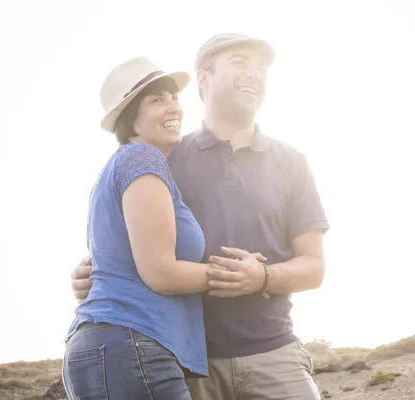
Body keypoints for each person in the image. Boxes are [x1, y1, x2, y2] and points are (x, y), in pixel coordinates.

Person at [71, 33, 329, 400]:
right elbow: (127, 238)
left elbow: (314, 268)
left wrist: (263, 276)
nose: (254, 74)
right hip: (187, 360)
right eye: (240, 62)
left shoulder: (292, 162)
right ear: (204, 78)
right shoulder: (162, 157)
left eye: (262, 68)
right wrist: (92, 273)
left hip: (274, 354)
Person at [62, 56, 263, 400]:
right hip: (132, 343)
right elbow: (161, 273)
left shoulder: (123, 168)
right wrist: (238, 274)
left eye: (174, 98)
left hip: (110, 346)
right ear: (130, 118)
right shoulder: (143, 158)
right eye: (157, 99)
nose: (174, 108)